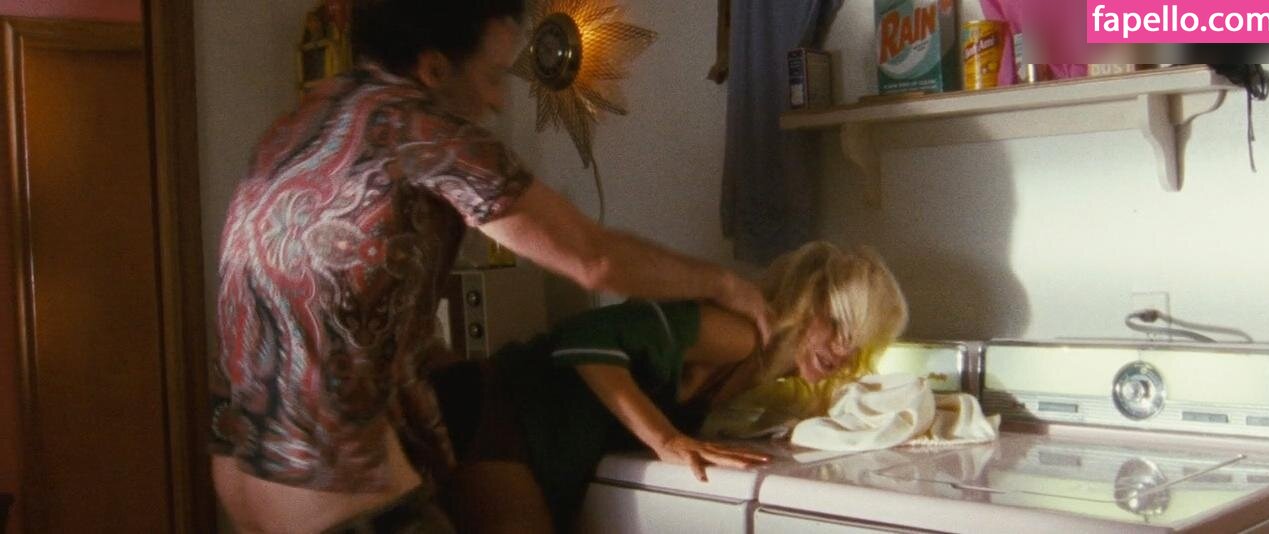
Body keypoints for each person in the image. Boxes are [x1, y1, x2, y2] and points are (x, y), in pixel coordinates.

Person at [208, 1, 773, 532]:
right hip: (336, 492)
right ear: (434, 68)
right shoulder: (421, 130)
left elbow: (325, 308)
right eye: (493, 75)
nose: (499, 101)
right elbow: (593, 258)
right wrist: (725, 283)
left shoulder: (299, 124)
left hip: (243, 475)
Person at [434, 242, 909, 532]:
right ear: (807, 302)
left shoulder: (764, 373)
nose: (843, 352)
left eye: (858, 343)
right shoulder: (740, 334)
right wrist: (667, 440)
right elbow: (583, 336)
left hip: (532, 426)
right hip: (503, 406)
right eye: (838, 325)